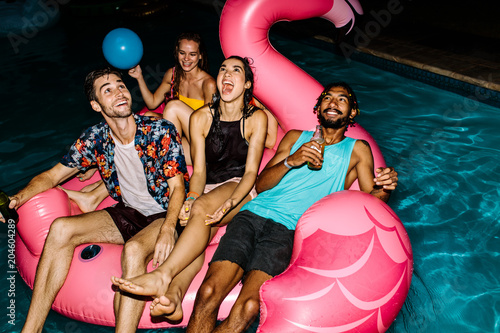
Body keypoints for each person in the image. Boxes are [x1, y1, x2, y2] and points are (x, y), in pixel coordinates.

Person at [183, 82, 398, 332]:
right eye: (328, 98)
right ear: (318, 108)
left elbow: (371, 199)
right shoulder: (296, 137)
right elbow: (261, 185)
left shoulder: (357, 150)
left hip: (287, 231)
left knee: (250, 307)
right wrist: (291, 161)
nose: (333, 103)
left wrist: (386, 186)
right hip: (253, 215)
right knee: (209, 291)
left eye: (342, 100)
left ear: (351, 113)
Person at [0, 68, 188, 333]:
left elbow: (178, 187)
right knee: (61, 228)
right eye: (107, 90)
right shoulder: (95, 138)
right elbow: (53, 175)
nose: (119, 93)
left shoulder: (159, 130)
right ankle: (31, 329)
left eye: (121, 86)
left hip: (165, 214)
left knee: (134, 250)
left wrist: (169, 228)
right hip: (129, 212)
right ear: (96, 105)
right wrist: (16, 199)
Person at [111, 56, 269, 322]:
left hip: (240, 188)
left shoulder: (256, 119)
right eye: (222, 69)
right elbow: (200, 171)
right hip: (207, 185)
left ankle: (163, 275)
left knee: (201, 210)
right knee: (197, 230)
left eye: (236, 70)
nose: (226, 74)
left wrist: (230, 202)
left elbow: (251, 173)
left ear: (247, 84)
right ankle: (174, 296)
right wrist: (192, 196)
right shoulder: (200, 118)